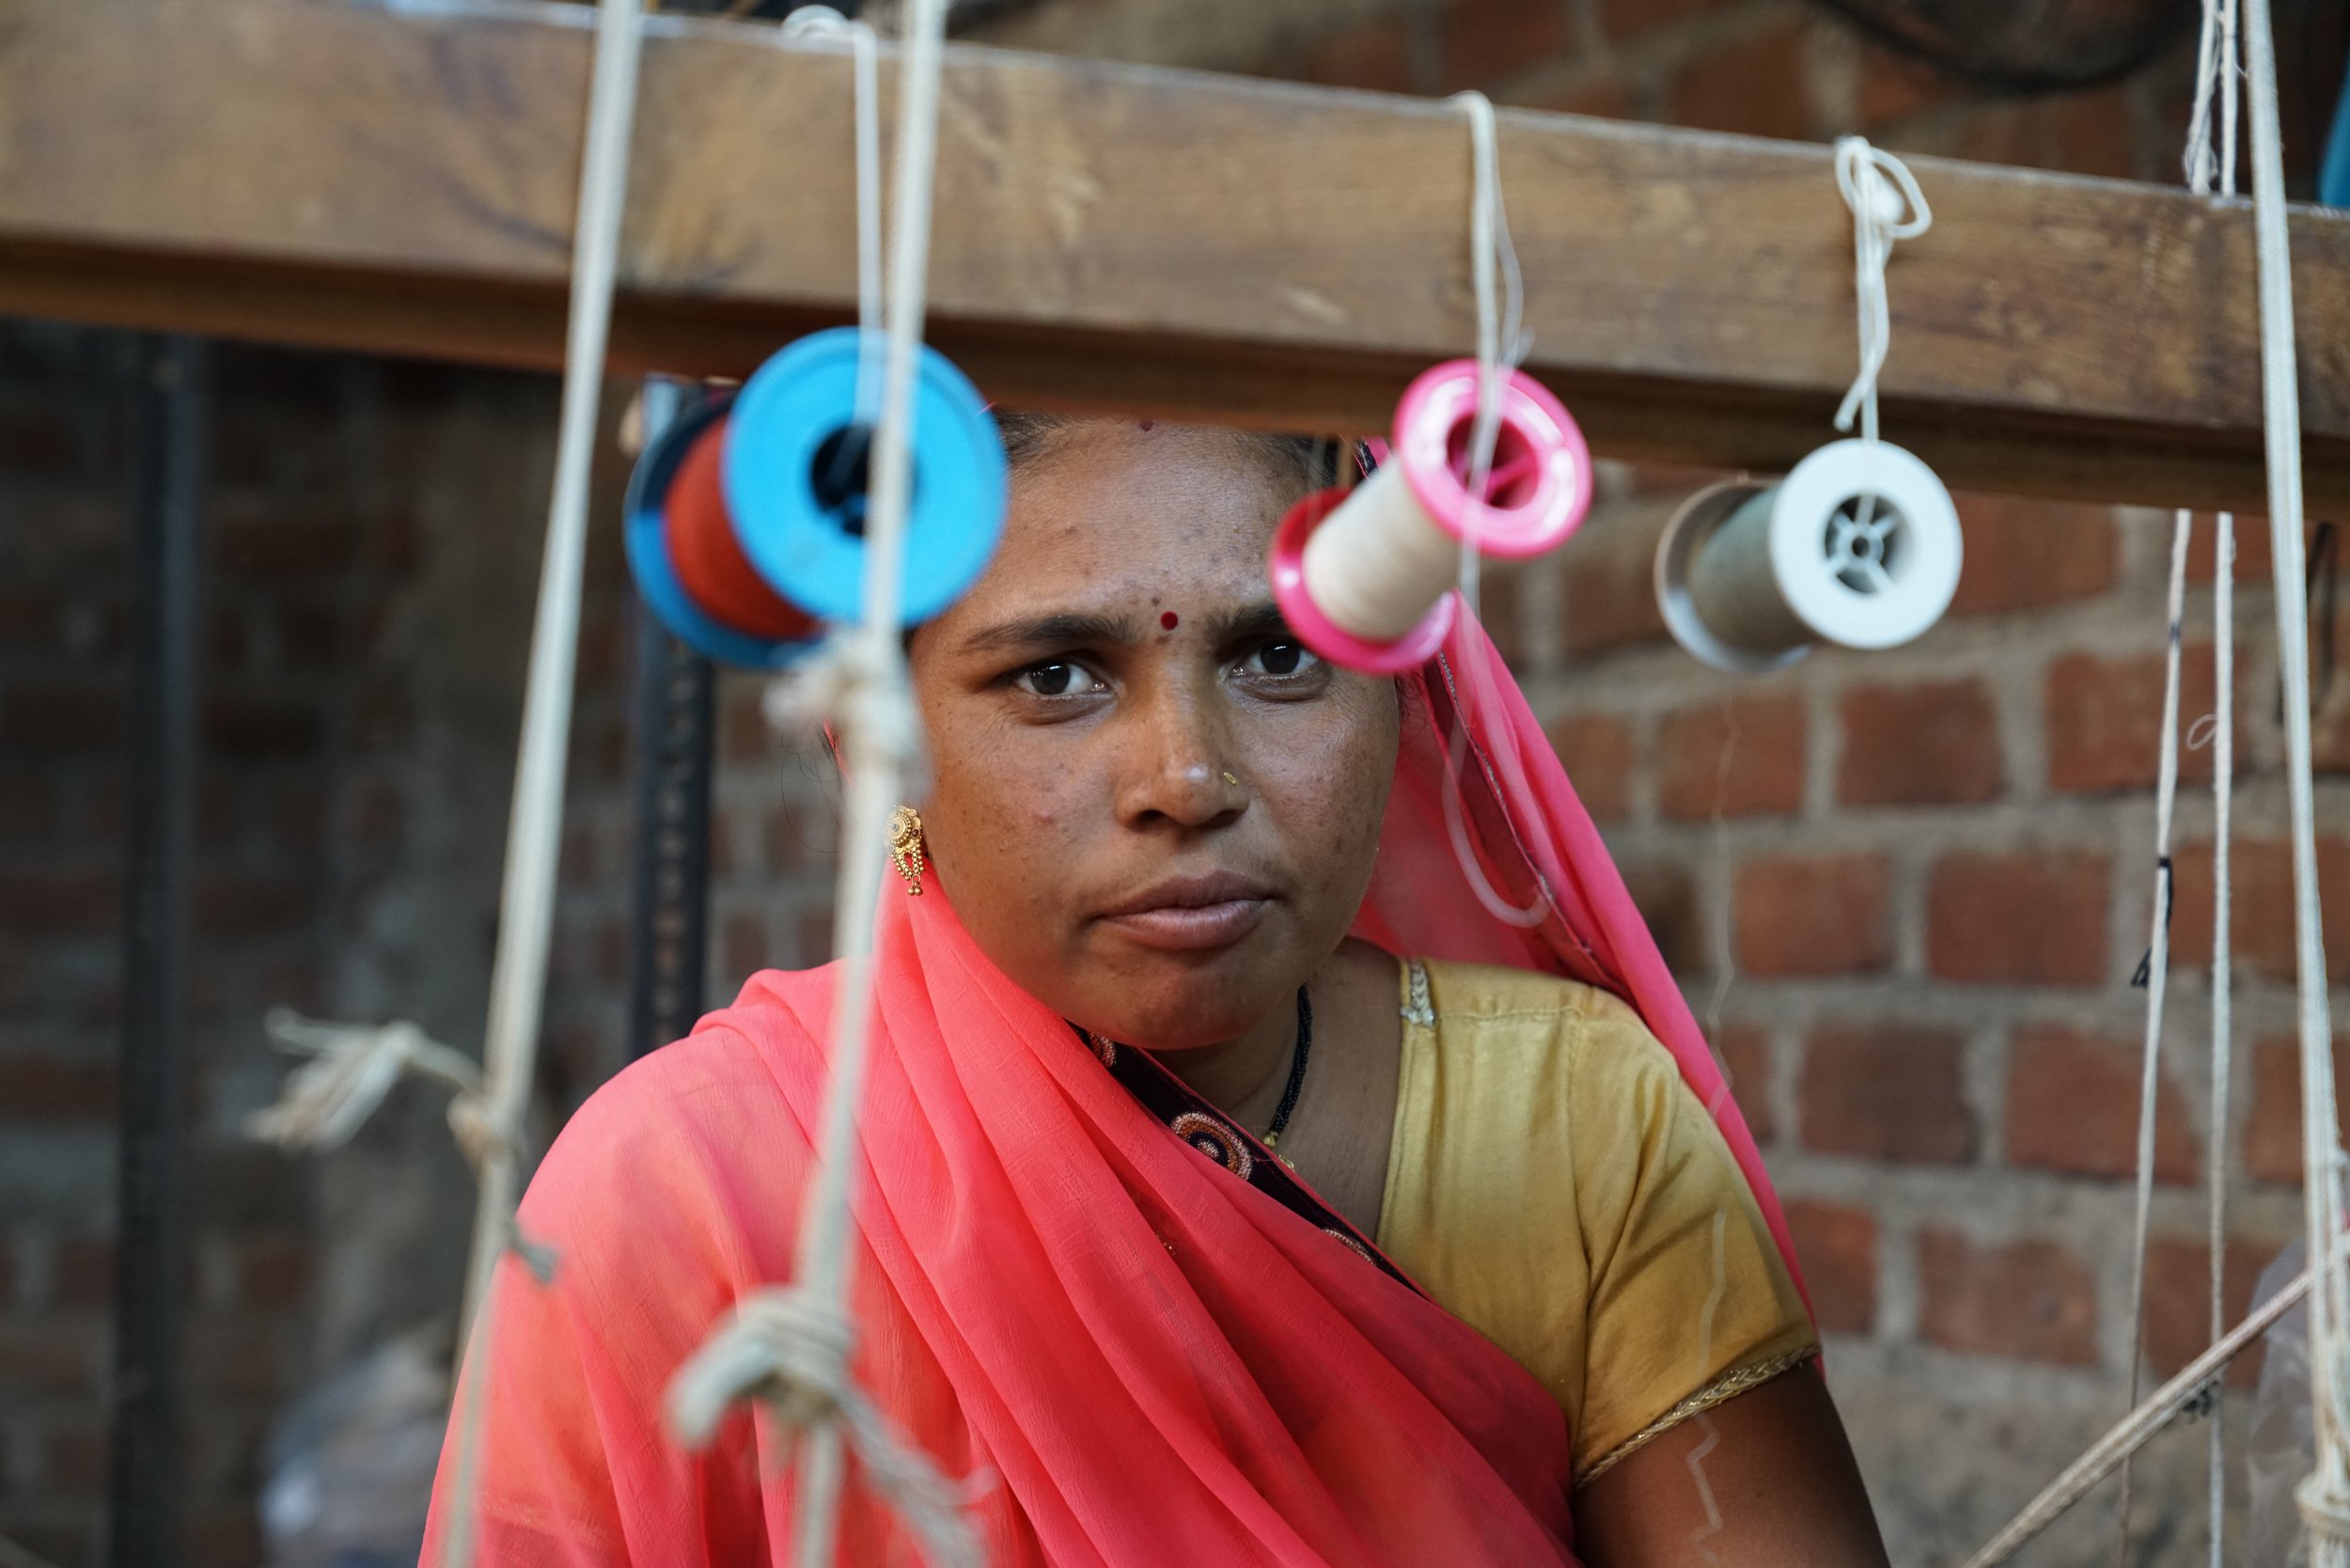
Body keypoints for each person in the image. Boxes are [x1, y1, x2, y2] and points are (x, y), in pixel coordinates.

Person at [422, 415, 1891, 1565]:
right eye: (1057, 676)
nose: (1187, 780)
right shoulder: (685, 1192)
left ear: (1404, 687)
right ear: (866, 736)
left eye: (1281, 655)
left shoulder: (1578, 1126)